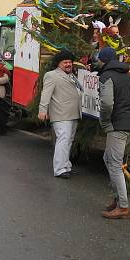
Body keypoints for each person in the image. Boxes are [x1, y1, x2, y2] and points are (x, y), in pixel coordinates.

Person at [97, 46, 130, 220]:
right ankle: (117, 198)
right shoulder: (128, 76)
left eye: (98, 59)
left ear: (103, 60)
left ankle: (123, 206)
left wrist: (105, 120)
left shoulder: (106, 76)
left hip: (117, 125)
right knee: (108, 159)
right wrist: (126, 110)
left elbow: (106, 103)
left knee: (114, 164)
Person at [38, 49, 82, 178]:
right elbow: (46, 94)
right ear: (58, 64)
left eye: (70, 62)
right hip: (61, 114)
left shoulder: (71, 75)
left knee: (68, 141)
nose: (68, 64)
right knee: (63, 140)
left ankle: (66, 165)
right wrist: (42, 110)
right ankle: (59, 169)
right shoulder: (52, 75)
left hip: (73, 114)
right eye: (65, 62)